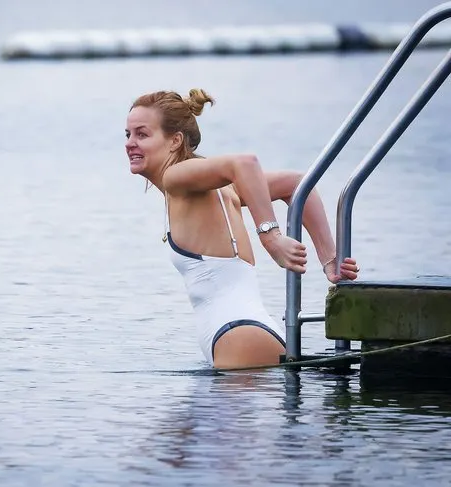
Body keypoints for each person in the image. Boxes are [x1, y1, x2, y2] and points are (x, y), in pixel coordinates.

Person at [124, 88, 359, 369]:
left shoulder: (175, 177)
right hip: (243, 332)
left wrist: (270, 238)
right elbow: (298, 184)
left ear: (175, 140)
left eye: (142, 134)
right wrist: (329, 260)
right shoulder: (216, 190)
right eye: (127, 135)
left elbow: (244, 163)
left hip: (237, 336)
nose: (130, 143)